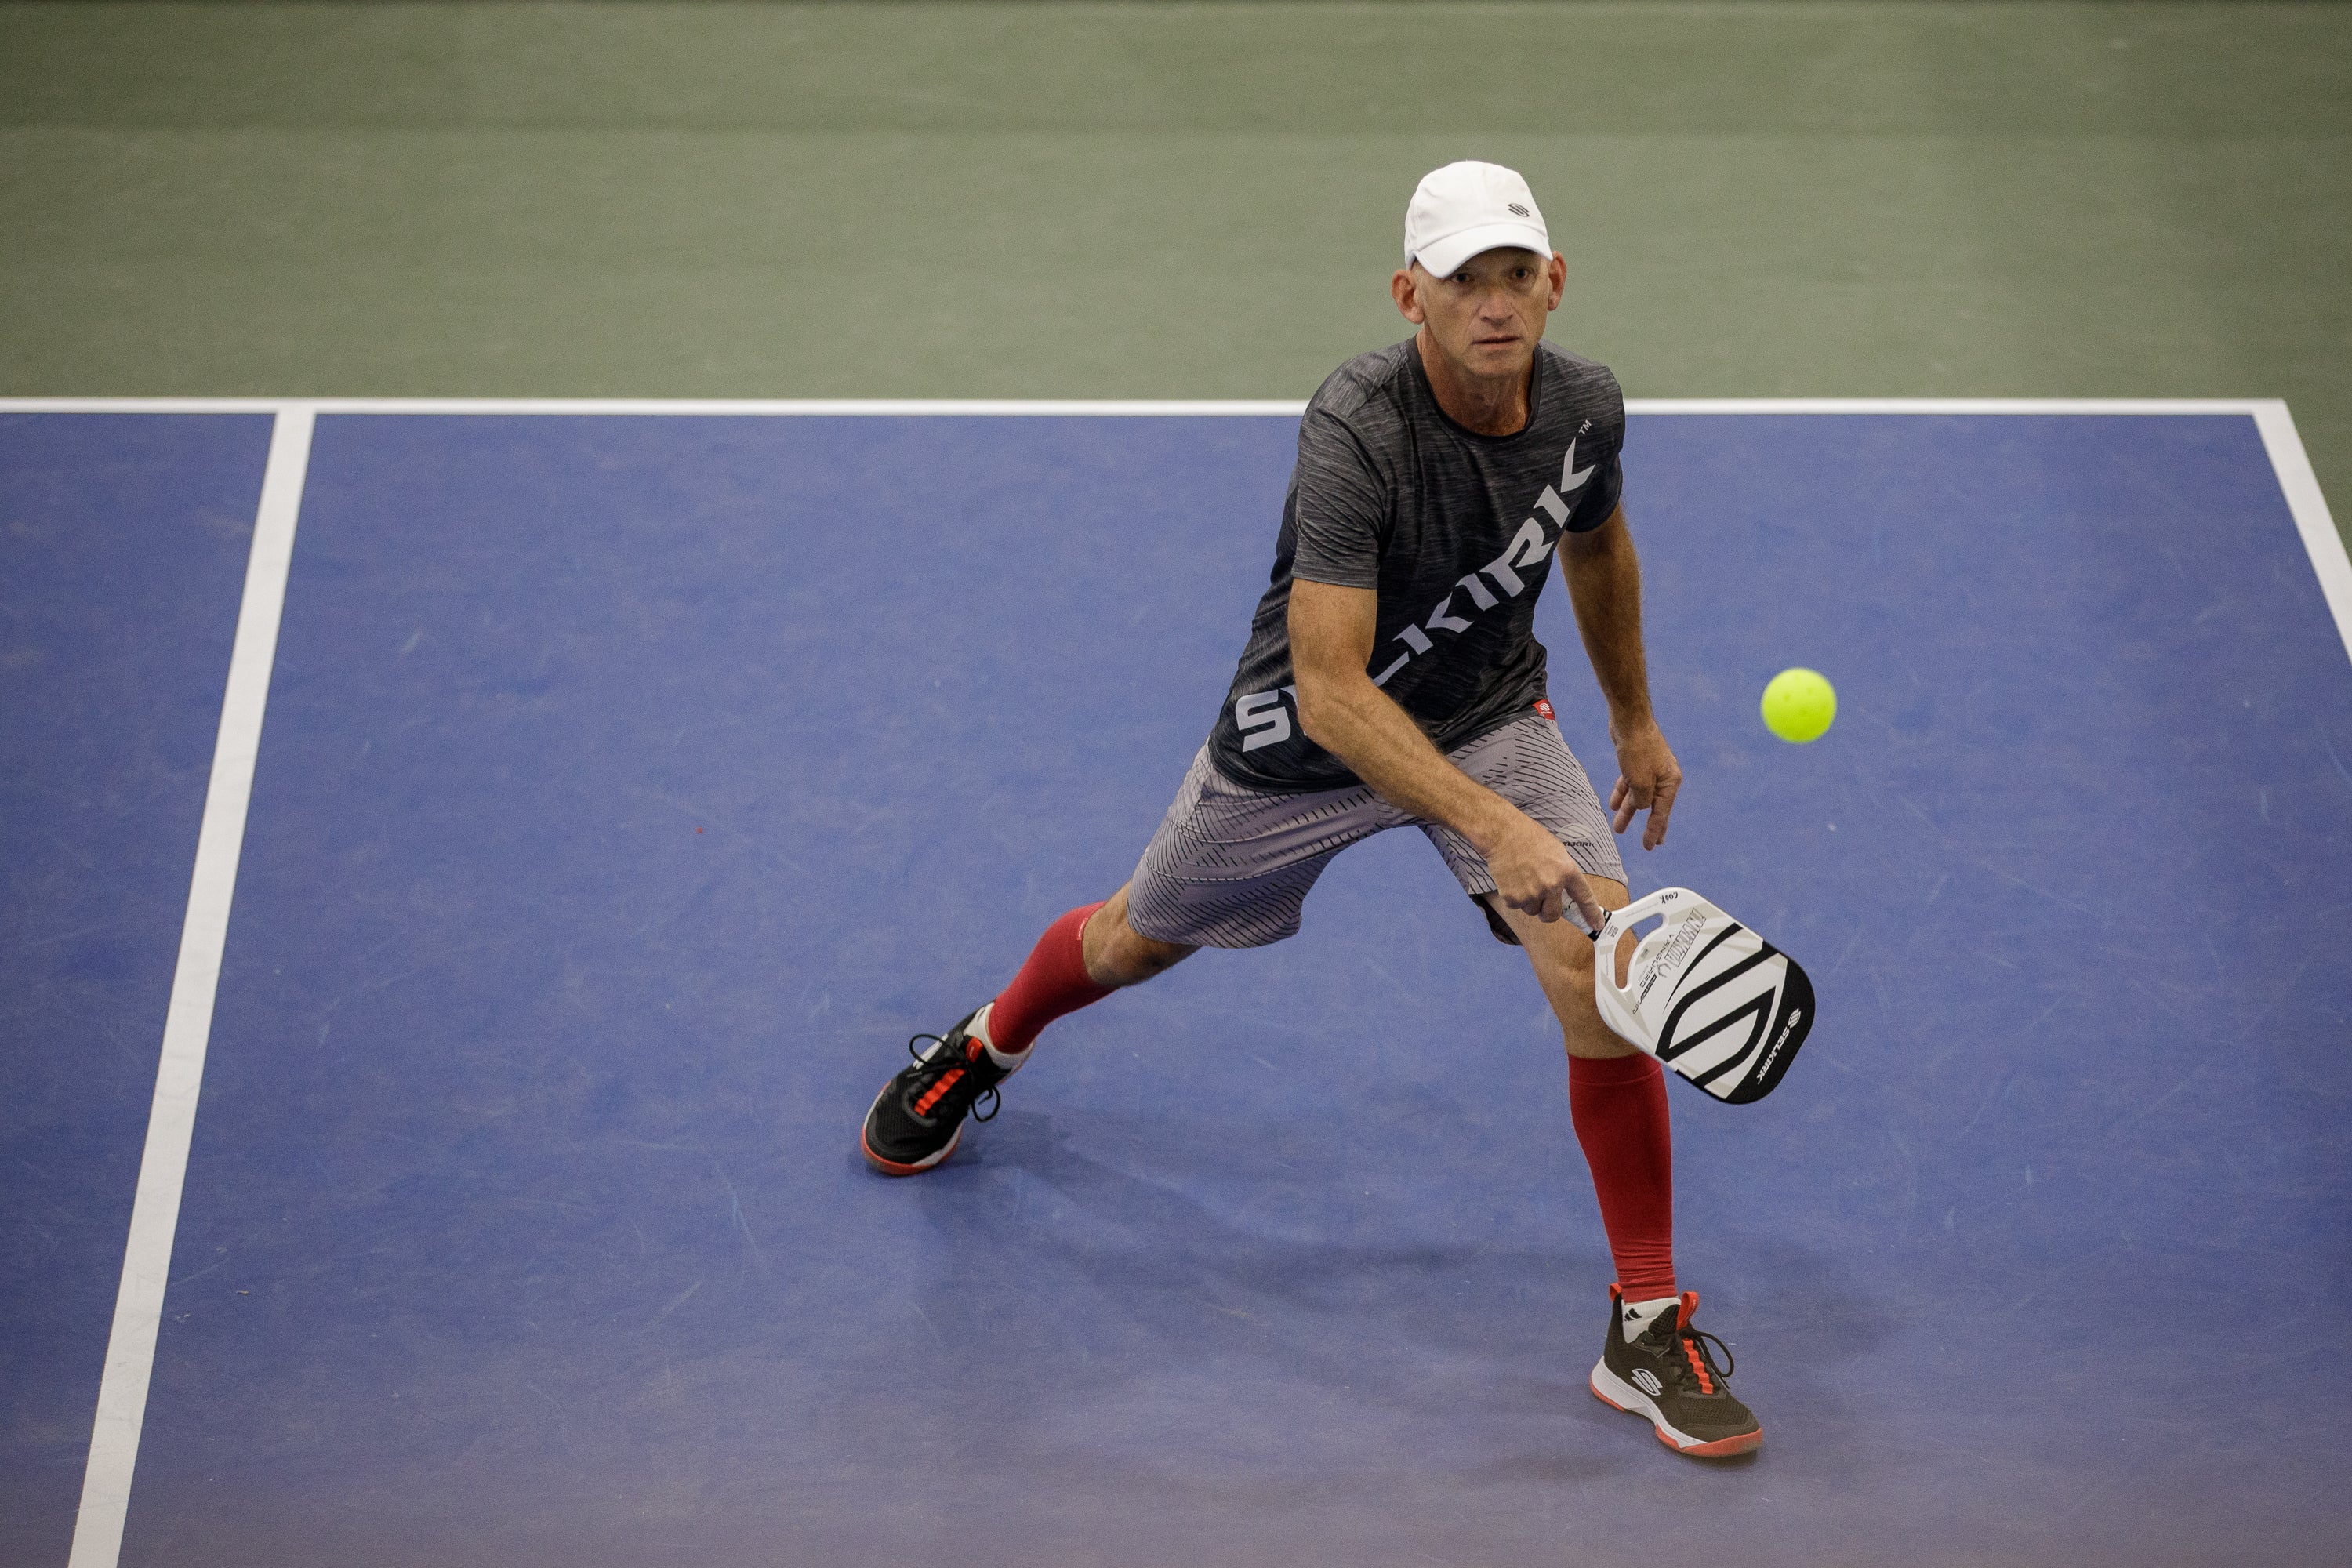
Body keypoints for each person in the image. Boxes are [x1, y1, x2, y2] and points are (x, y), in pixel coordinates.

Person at [858, 161, 1761, 1458]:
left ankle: (1644, 1321)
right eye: (1464, 281)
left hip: (1497, 719)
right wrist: (1495, 828)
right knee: (1134, 940)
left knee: (1597, 975)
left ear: (1555, 283)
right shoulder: (1357, 424)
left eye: (1517, 275)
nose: (1494, 304)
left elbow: (1596, 542)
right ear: (1412, 296)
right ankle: (988, 1043)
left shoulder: (1585, 408)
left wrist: (1632, 718)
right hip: (1300, 747)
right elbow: (1333, 693)